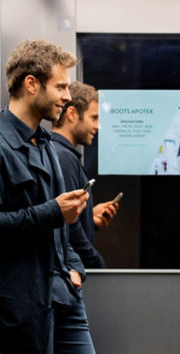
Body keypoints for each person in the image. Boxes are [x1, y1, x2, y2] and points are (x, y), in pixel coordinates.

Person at [0, 40, 96, 354]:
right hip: (23, 305)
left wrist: (76, 268)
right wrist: (53, 212)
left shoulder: (46, 143)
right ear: (31, 84)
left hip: (65, 295)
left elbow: (63, 224)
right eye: (60, 86)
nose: (67, 96)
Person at [52, 82, 120, 268]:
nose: (97, 126)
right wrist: (96, 265)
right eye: (94, 118)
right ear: (72, 114)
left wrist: (90, 219)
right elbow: (68, 228)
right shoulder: (63, 158)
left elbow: (66, 217)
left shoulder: (62, 154)